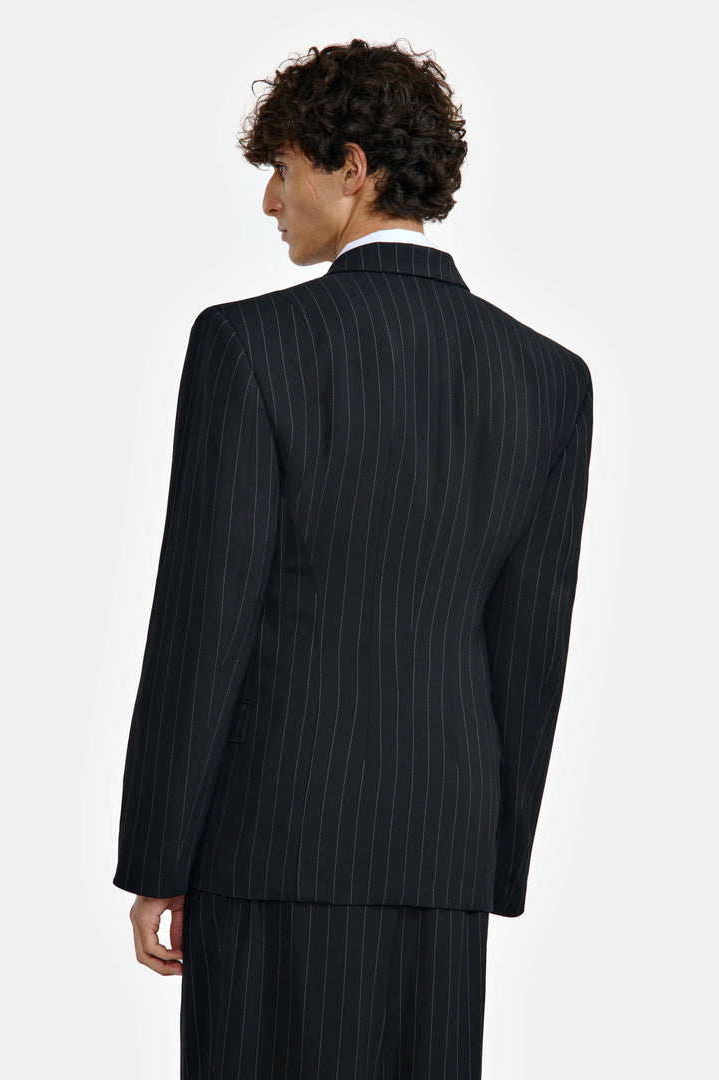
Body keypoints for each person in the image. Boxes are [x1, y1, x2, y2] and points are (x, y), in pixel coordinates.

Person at [113, 37, 594, 1078]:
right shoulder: (550, 378)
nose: (270, 200)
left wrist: (157, 856)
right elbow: (531, 647)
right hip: (442, 844)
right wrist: (488, 859)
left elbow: (204, 617)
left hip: (270, 838)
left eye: (281, 169)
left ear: (353, 168)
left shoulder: (249, 345)